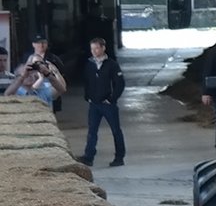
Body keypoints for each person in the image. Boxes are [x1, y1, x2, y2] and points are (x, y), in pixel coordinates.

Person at [78, 36, 125, 167]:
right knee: (92, 131)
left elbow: (120, 83)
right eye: (92, 48)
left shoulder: (112, 65)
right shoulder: (89, 64)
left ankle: (119, 157)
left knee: (116, 130)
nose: (94, 51)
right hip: (94, 104)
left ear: (103, 48)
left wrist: (112, 98)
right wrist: (87, 96)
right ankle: (88, 157)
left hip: (107, 104)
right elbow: (86, 81)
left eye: (96, 48)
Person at [4, 38, 67, 108]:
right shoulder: (17, 92)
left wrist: (49, 73)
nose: (30, 75)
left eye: (33, 73)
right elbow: (7, 94)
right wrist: (22, 76)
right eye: (28, 73)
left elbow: (62, 89)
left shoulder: (43, 91)